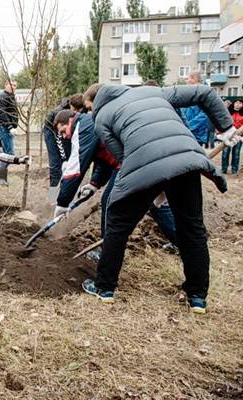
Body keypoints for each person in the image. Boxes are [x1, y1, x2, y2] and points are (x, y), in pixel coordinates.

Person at [80, 82, 239, 314]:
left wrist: (150, 184)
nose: (89, 112)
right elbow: (203, 92)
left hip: (145, 164)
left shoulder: (102, 117)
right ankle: (197, 296)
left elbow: (122, 156)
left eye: (88, 107)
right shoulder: (154, 91)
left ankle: (104, 287)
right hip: (186, 160)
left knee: (118, 223)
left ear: (95, 101)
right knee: (191, 227)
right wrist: (226, 127)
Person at [52, 109, 177, 261]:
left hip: (132, 161)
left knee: (110, 203)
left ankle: (107, 256)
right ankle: (182, 242)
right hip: (140, 158)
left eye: (64, 131)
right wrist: (94, 184)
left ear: (70, 120)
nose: (65, 136)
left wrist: (62, 203)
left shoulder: (83, 126)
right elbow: (103, 159)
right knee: (153, 203)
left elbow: (75, 167)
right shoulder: (87, 125)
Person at [42, 98, 71, 205]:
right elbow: (60, 138)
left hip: (60, 130)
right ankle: (52, 199)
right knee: (55, 164)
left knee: (67, 161)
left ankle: (64, 196)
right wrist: (65, 159)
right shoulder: (60, 117)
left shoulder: (79, 111)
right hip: (51, 130)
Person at [0, 80, 19, 186]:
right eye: (11, 85)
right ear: (6, 85)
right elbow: (2, 114)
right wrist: (9, 127)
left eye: (15, 86)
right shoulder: (3, 97)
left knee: (5, 153)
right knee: (9, 154)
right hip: (3, 128)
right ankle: (1, 178)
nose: (13, 87)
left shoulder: (10, 97)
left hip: (5, 128)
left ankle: (2, 178)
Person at [182, 72, 210, 146]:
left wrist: (189, 126)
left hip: (196, 134)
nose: (186, 81)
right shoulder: (186, 93)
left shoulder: (203, 93)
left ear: (194, 79)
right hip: (185, 132)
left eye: (188, 78)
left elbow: (205, 114)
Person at [221, 99, 243, 175]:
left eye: (240, 103)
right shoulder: (227, 112)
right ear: (233, 104)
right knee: (225, 153)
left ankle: (234, 170)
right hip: (227, 135)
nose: (237, 104)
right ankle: (224, 169)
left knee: (236, 154)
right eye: (236, 102)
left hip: (238, 137)